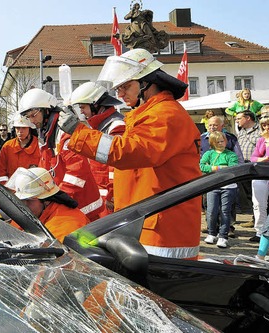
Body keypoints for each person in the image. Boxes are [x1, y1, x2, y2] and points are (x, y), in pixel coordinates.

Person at [58, 48, 202, 259]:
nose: (120, 94)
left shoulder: (165, 115)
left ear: (147, 82)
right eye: (118, 88)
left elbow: (128, 152)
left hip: (163, 231)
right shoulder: (152, 114)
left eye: (125, 86)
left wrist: (79, 134)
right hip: (150, 222)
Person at [18, 88, 103, 221]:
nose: (32, 120)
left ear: (46, 110)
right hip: (66, 203)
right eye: (28, 117)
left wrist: (58, 198)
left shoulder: (64, 132)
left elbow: (77, 173)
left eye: (33, 115)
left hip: (82, 206)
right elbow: (45, 169)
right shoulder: (46, 134)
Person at [68, 82, 126, 216]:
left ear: (95, 104)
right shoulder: (102, 126)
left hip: (111, 201)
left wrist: (112, 195)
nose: (81, 112)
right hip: (103, 199)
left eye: (83, 107)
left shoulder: (115, 126)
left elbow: (117, 167)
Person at [5, 167, 89, 242]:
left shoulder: (65, 225)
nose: (23, 206)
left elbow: (53, 255)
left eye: (28, 200)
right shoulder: (37, 212)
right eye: (21, 200)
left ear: (46, 200)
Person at [200, 131, 239, 248]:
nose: (221, 143)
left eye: (222, 141)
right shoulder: (209, 153)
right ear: (212, 143)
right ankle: (212, 233)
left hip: (228, 187)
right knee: (211, 211)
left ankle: (223, 236)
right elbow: (201, 166)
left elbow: (232, 168)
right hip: (213, 186)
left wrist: (211, 168)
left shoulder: (231, 155)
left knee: (225, 211)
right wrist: (220, 167)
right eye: (218, 142)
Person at [0, 116, 40, 184]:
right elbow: (1, 171)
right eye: (18, 128)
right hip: (11, 191)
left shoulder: (40, 146)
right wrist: (6, 188)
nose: (20, 131)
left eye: (24, 128)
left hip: (33, 190)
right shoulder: (7, 146)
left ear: (30, 129)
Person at [249, 116, 269, 243]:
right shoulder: (260, 140)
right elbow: (253, 157)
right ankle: (259, 231)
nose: (266, 128)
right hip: (260, 174)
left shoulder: (266, 140)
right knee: (258, 205)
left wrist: (268, 141)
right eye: (264, 125)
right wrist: (263, 159)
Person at [235, 110, 260, 224]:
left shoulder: (260, 129)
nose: (237, 121)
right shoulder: (241, 131)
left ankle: (257, 220)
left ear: (248, 118)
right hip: (242, 165)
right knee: (248, 193)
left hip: (255, 166)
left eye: (239, 118)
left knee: (256, 194)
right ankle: (253, 218)